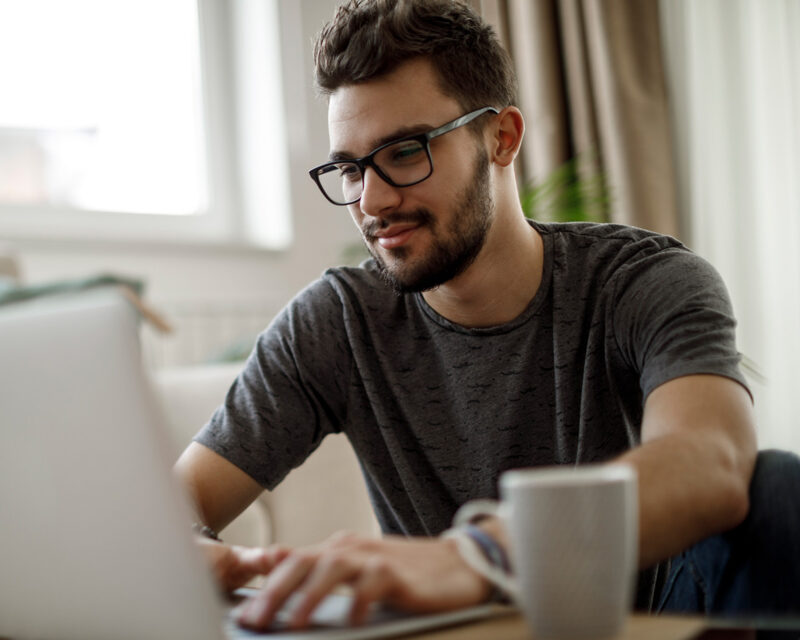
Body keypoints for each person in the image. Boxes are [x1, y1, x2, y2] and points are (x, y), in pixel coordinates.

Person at [175, 0, 800, 630]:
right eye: (349, 168)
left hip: (636, 621)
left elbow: (711, 459)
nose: (373, 200)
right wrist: (185, 551)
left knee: (778, 490)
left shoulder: (642, 281)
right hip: (456, 633)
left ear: (501, 138)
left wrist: (478, 556)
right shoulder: (337, 321)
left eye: (404, 152)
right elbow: (173, 504)